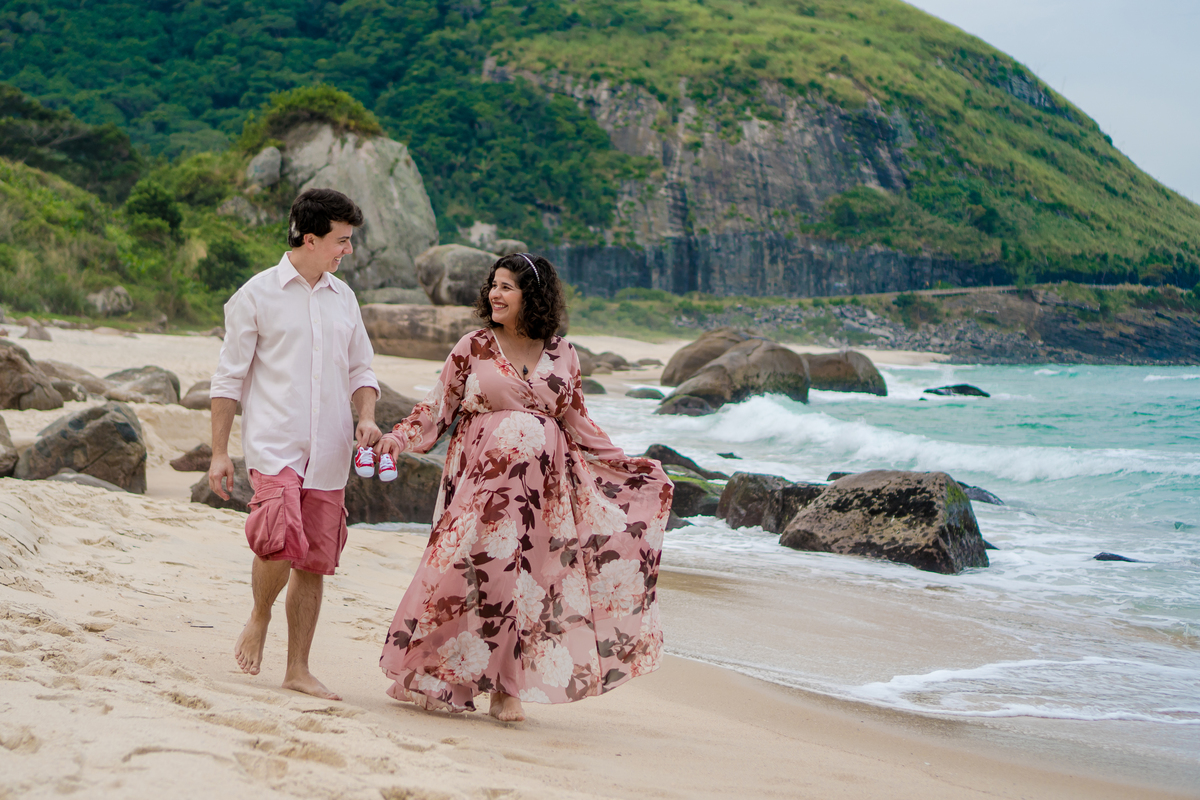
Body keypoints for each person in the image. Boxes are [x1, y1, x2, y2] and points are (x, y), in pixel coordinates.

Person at [375, 253, 673, 722]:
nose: (495, 294)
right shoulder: (473, 346)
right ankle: (447, 680)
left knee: (528, 587)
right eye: (493, 285)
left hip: (541, 496)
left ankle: (506, 689)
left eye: (507, 287)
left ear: (531, 296)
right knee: (474, 577)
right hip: (481, 487)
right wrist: (397, 437)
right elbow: (437, 409)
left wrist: (628, 467)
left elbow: (578, 422)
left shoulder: (563, 354)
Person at [208, 188, 381, 701]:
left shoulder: (343, 297)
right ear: (311, 238)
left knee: (315, 561)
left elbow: (361, 368)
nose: (347, 250)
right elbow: (228, 380)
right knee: (279, 538)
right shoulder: (255, 295)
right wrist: (219, 451)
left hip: (329, 450)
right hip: (275, 443)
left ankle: (297, 668)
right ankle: (259, 616)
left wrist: (367, 417)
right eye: (341, 240)